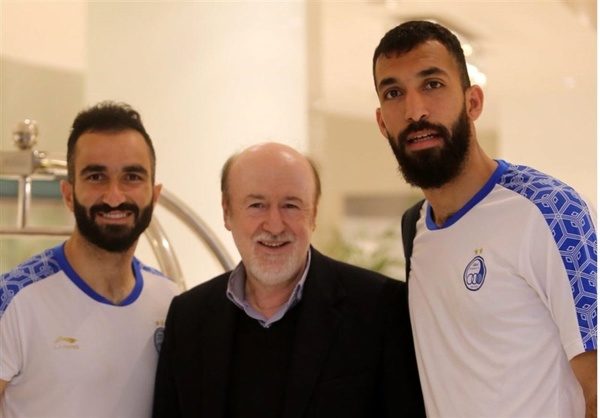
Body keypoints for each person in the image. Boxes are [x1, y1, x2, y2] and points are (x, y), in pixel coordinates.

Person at [372, 20, 597, 418]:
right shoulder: (415, 229)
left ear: (473, 102)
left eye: (432, 84)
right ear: (381, 122)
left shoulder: (552, 211)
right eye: (394, 93)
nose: (414, 110)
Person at [152, 142, 424, 418]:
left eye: (291, 206)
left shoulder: (380, 308)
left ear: (313, 214)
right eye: (257, 205)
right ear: (227, 213)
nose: (275, 225)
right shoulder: (188, 318)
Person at [0, 101, 180, 418]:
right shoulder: (13, 300)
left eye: (132, 176)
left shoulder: (171, 301)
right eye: (96, 176)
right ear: (68, 194)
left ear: (154, 195)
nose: (114, 196)